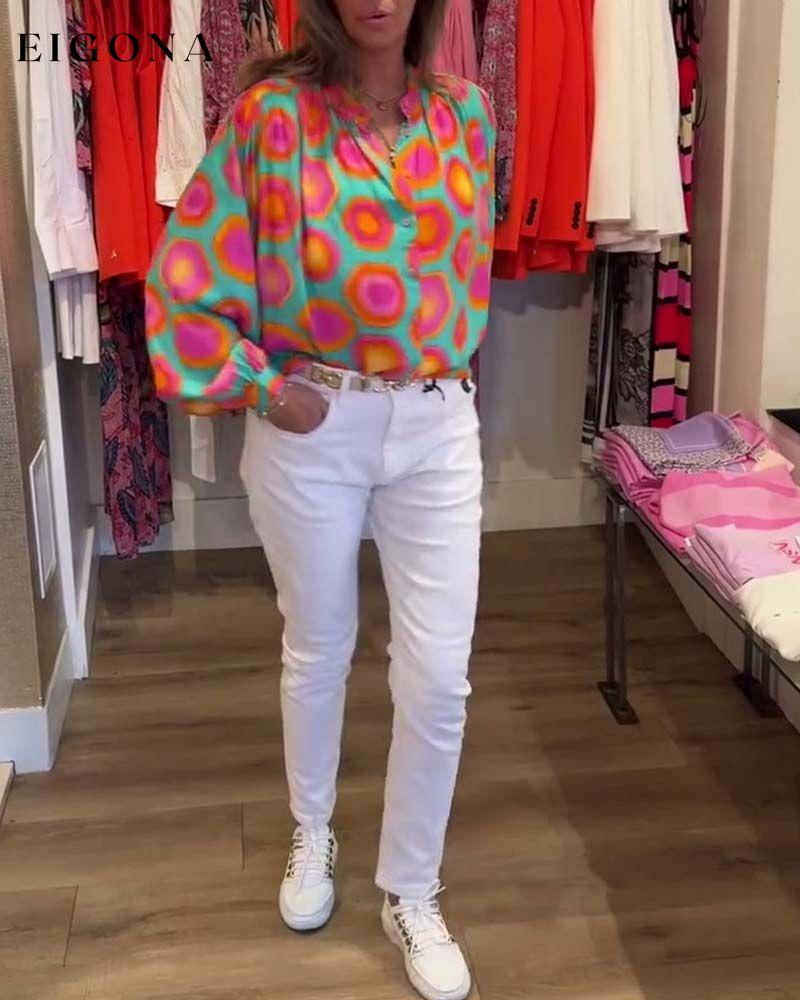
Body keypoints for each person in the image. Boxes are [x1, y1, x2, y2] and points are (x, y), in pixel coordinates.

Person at [145, 2, 496, 997]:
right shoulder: (272, 118)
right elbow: (183, 279)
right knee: (319, 642)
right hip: (314, 422)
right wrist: (264, 387)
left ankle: (412, 888)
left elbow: (461, 275)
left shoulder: (465, 115)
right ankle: (313, 830)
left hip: (436, 421)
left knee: (439, 677)